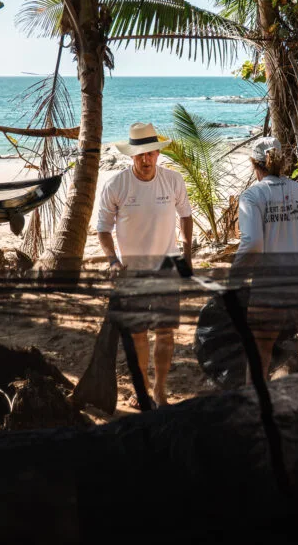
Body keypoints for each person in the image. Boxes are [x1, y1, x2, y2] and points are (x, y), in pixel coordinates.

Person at [96, 121, 193, 408]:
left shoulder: (173, 181)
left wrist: (186, 251)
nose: (146, 158)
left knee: (165, 332)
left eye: (150, 153)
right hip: (132, 272)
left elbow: (186, 215)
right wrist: (113, 260)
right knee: (138, 334)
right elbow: (103, 228)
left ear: (157, 154)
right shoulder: (117, 185)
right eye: (140, 154)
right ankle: (143, 391)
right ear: (131, 156)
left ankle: (160, 391)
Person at [232, 136, 298, 381]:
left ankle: (256, 409)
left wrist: (234, 275)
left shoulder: (251, 196)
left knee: (260, 352)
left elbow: (253, 242)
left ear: (254, 164)